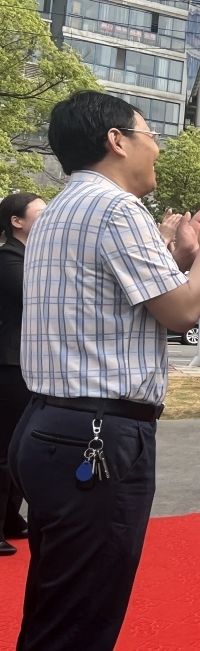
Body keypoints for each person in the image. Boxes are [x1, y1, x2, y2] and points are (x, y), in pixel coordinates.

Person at [9, 91, 200, 651]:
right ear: (116, 140)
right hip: (96, 436)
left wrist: (183, 256)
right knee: (82, 620)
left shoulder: (59, 209)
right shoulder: (118, 209)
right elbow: (181, 311)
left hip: (47, 427)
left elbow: (131, 297)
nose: (157, 147)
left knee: (55, 604)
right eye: (150, 135)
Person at [0, 193, 46, 557]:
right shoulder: (8, 258)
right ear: (16, 221)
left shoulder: (33, 256)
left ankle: (11, 518)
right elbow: (36, 295)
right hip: (8, 363)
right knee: (4, 449)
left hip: (28, 362)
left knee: (21, 446)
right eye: (40, 213)